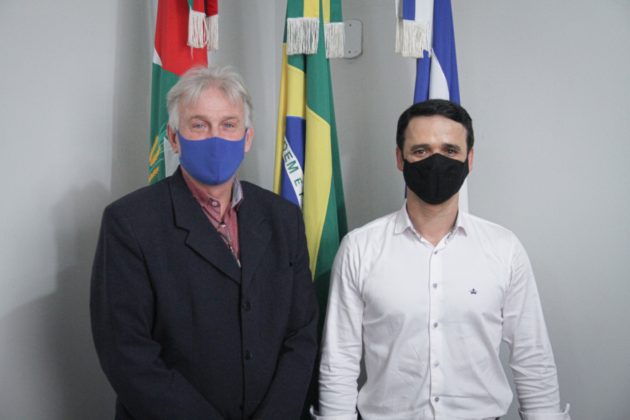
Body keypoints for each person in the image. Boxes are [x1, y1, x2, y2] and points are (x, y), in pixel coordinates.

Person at [316, 99, 570, 420]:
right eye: (421, 150)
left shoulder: (504, 249)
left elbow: (532, 356)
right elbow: (339, 360)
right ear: (400, 159)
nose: (436, 162)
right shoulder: (359, 248)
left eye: (450, 150)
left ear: (469, 159)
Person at [90, 65, 318, 419]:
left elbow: (301, 333)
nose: (216, 138)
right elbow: (127, 353)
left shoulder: (282, 218)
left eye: (228, 125)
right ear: (174, 138)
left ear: (247, 138)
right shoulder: (129, 222)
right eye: (199, 125)